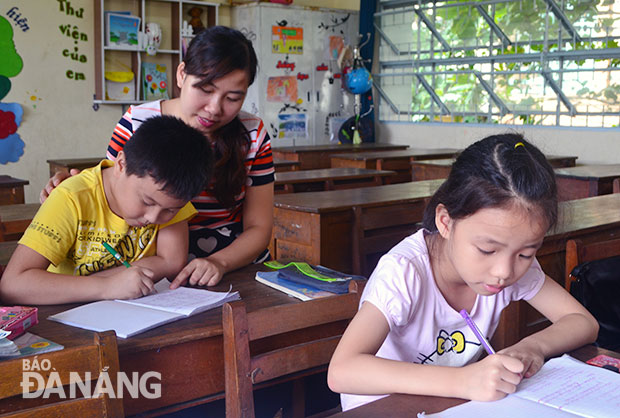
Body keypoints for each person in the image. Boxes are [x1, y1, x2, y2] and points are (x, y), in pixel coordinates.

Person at [327, 134, 599, 411]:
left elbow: (582, 322)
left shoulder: (509, 261)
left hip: (451, 404)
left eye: (526, 253)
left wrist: (532, 347)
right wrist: (462, 380)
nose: (503, 272)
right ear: (445, 222)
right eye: (486, 249)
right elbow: (342, 371)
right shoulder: (404, 272)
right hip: (383, 409)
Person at [40, 26, 274, 288]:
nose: (214, 108)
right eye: (206, 90)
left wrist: (220, 262)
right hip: (154, 266)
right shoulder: (136, 122)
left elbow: (259, 227)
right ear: (182, 74)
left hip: (234, 264)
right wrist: (71, 186)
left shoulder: (251, 135)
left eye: (232, 98)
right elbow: (113, 192)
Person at [0, 116, 213, 305]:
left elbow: (172, 261)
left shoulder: (171, 191)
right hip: (64, 315)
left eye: (170, 210)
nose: (153, 218)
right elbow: (12, 286)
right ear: (121, 164)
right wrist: (107, 287)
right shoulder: (72, 197)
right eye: (146, 201)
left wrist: (118, 283)